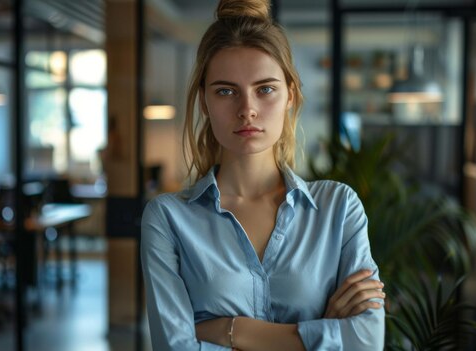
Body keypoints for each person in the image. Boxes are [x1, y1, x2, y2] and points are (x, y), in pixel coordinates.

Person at [140, 0, 385, 349]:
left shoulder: (339, 208)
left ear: (291, 95)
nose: (247, 110)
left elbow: (365, 341)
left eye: (265, 89)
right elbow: (175, 347)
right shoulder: (167, 219)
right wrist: (321, 334)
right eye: (226, 91)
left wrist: (230, 330)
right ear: (205, 103)